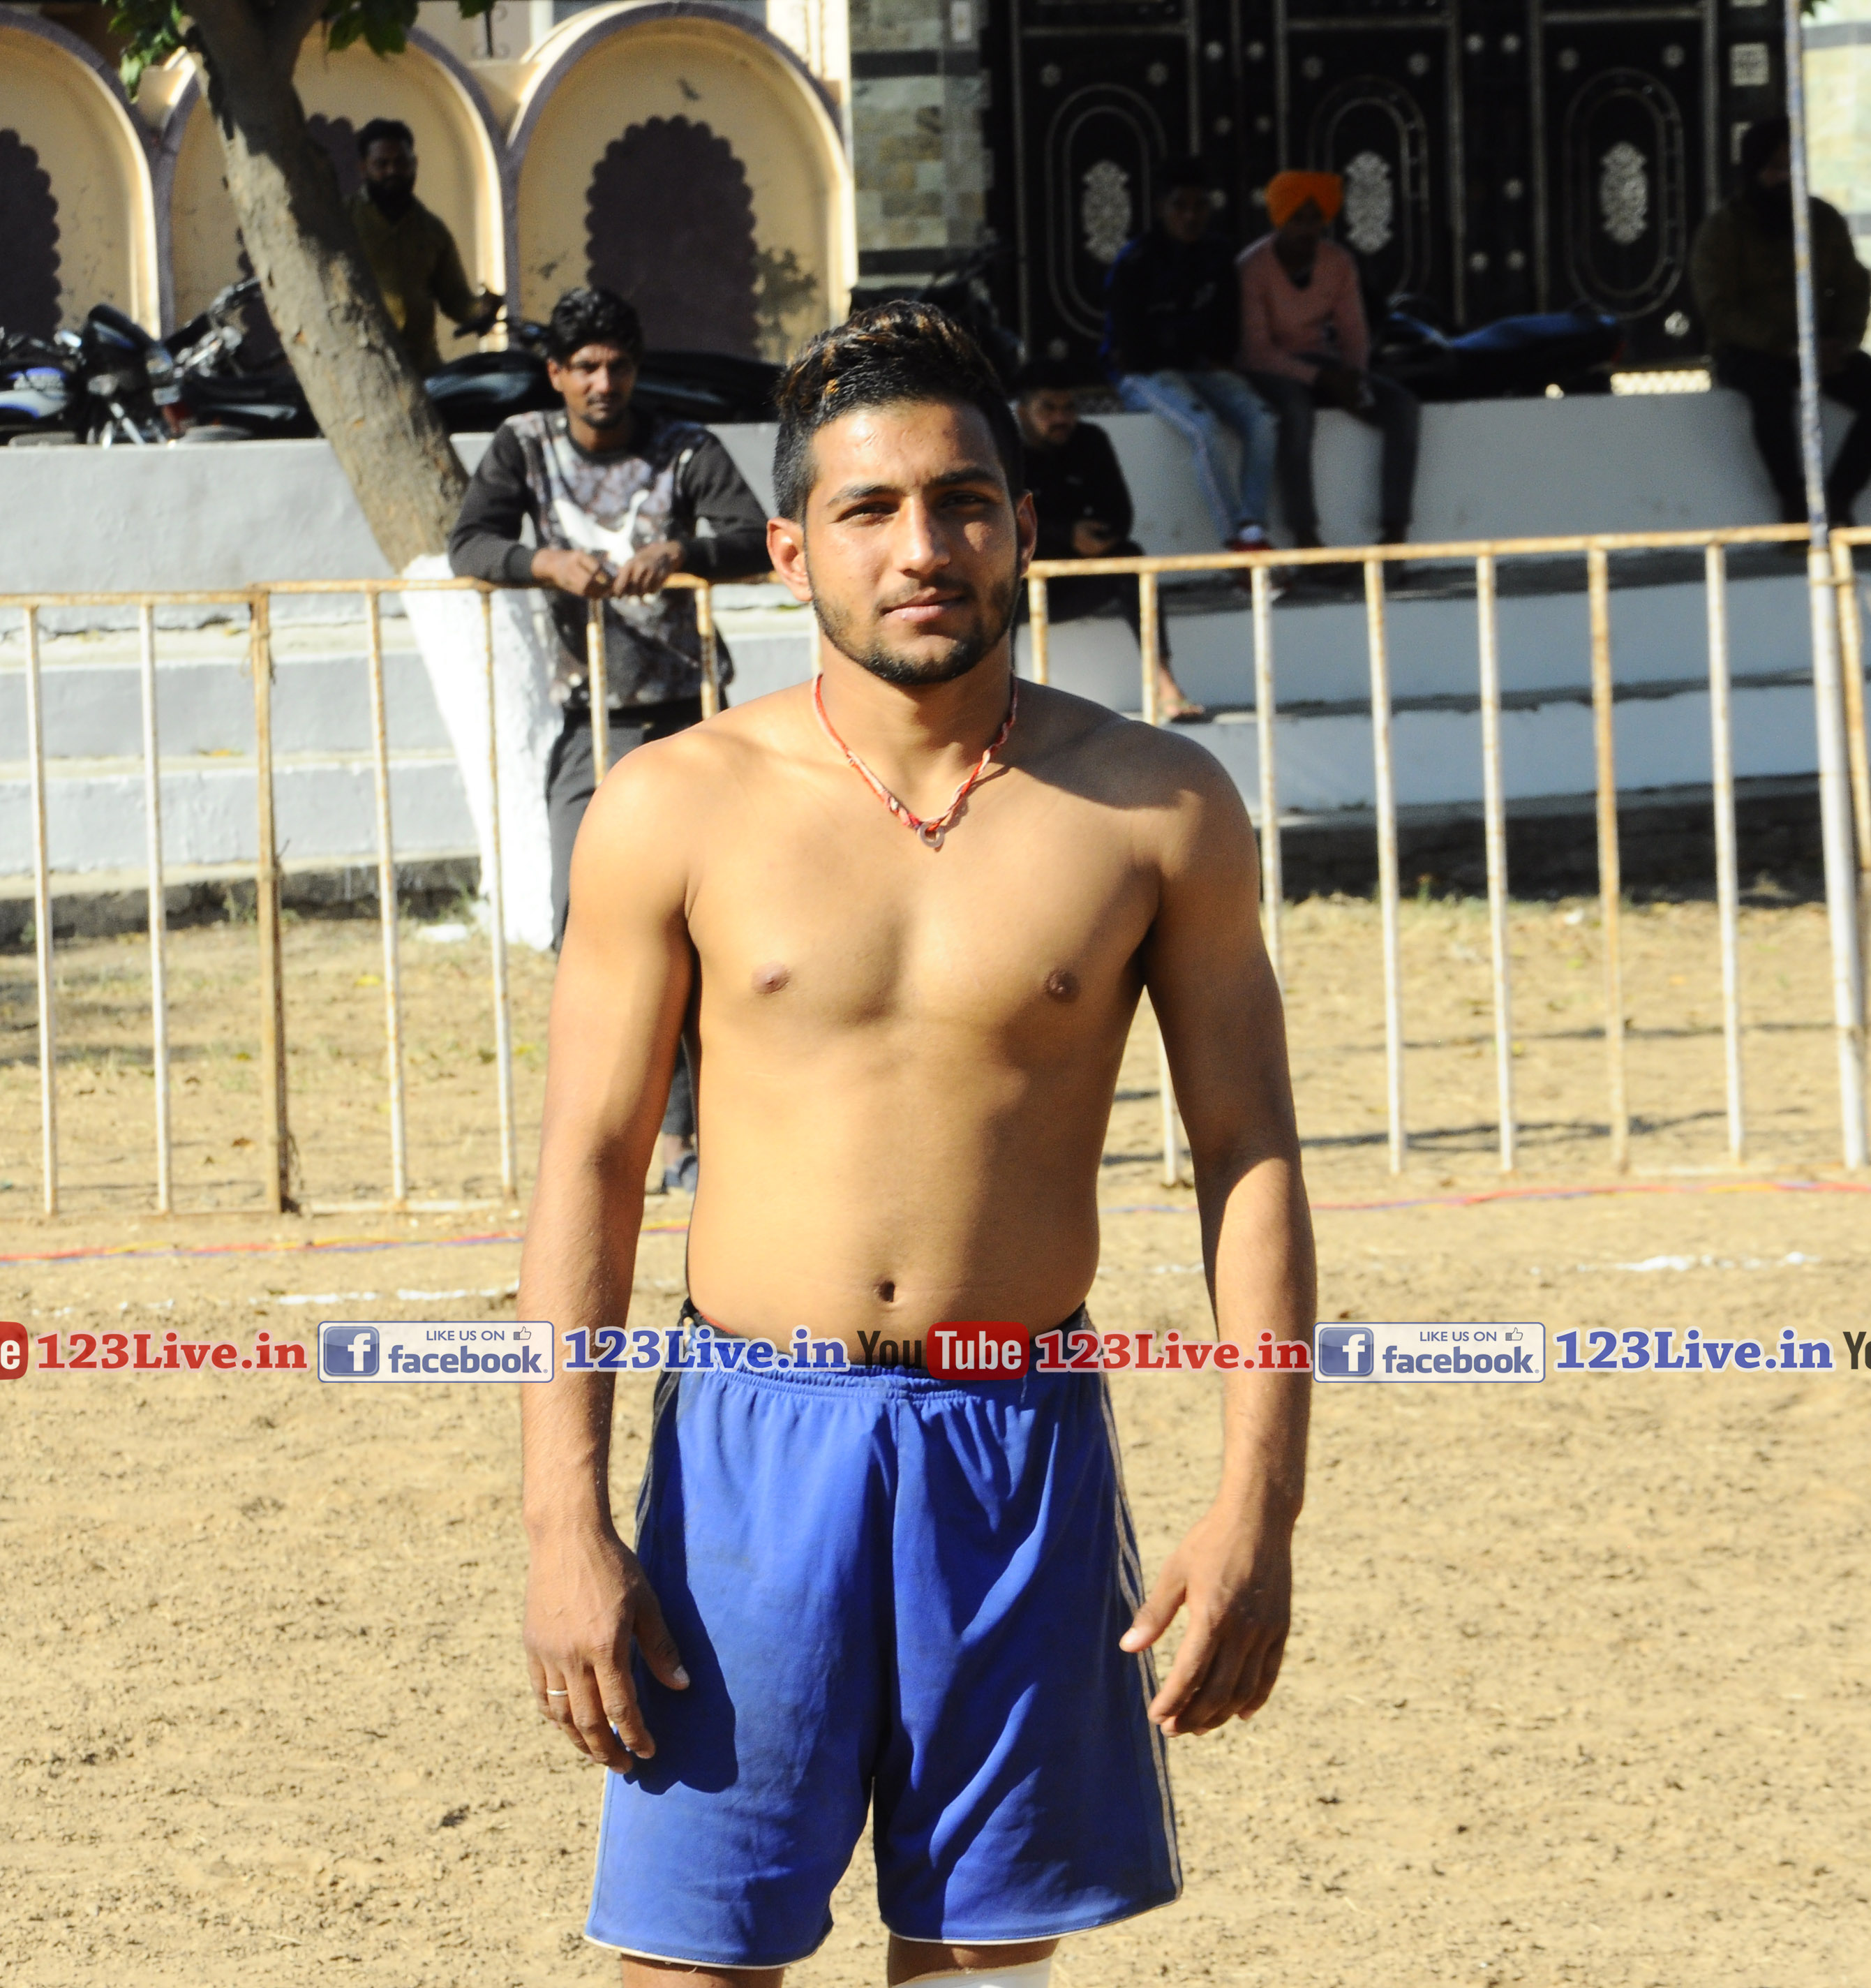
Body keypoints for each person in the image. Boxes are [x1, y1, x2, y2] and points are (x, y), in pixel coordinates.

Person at [515, 301, 1315, 1985]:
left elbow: (1246, 1149)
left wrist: (1259, 1505)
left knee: (975, 1961)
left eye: (959, 502)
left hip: (1014, 1442)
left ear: (1021, 524)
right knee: (689, 1963)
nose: (921, 547)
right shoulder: (674, 803)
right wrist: (560, 1522)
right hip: (747, 1444)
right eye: (868, 509)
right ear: (789, 549)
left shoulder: (1159, 807)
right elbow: (589, 1162)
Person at [448, 284, 770, 1188]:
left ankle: (697, 1136)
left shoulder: (684, 447)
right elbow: (470, 543)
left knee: (710, 930)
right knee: (584, 924)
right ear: (556, 373)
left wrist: (685, 553)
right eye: (585, 366)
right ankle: (612, 1131)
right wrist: (541, 561)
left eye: (618, 366)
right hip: (590, 718)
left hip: (689, 715)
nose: (603, 383)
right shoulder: (525, 444)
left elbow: (757, 536)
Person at [1690, 117, 1871, 527]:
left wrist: (1842, 342)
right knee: (1770, 393)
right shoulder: (1722, 231)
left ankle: (1836, 502)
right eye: (1775, 167)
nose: (1785, 177)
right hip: (1751, 352)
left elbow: (1854, 286)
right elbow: (1719, 313)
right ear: (1754, 169)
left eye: (1793, 166)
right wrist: (1785, 346)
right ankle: (1794, 504)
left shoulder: (1822, 221)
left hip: (1819, 348)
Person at [1237, 168, 1420, 565]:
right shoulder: (1253, 267)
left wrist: (1355, 378)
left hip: (1322, 362)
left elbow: (1354, 332)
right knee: (1296, 412)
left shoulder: (1338, 263)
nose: (1307, 229)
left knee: (1402, 408)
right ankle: (1306, 537)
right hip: (1269, 368)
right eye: (1297, 218)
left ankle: (1395, 536)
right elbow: (1256, 351)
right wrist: (1322, 379)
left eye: (1315, 218)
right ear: (1279, 219)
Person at [1103, 158, 1283, 550]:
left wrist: (1203, 355)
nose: (1190, 216)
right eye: (1180, 206)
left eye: (1199, 206)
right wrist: (1181, 351)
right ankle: (1234, 541)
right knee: (1204, 429)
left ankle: (1253, 528)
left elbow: (1226, 329)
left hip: (1202, 369)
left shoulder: (1218, 256)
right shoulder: (1136, 261)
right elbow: (1132, 346)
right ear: (1161, 208)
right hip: (1146, 374)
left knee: (1263, 421)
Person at [1014, 364, 1205, 720]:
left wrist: (1099, 541)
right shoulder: (1005, 449)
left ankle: (1165, 684)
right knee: (999, 577)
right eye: (1048, 409)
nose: (1061, 418)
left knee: (1131, 559)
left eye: (1068, 408)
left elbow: (1120, 514)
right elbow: (1002, 523)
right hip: (1023, 581)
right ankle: (1004, 703)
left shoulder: (1091, 441)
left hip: (1077, 577)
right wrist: (1066, 534)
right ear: (1023, 413)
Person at [349, 117, 501, 377]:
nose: (392, 171)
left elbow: (455, 300)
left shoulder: (433, 231)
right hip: (362, 368)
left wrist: (482, 310)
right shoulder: (342, 221)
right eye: (381, 164)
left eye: (401, 163)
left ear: (414, 165)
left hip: (422, 370)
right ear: (364, 168)